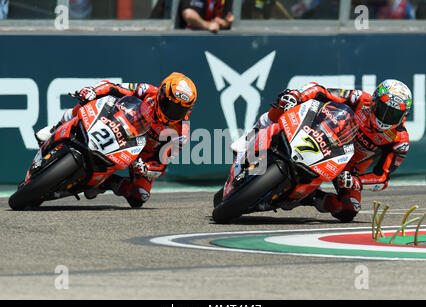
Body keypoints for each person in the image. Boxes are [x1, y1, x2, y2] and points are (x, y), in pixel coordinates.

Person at [235, 79, 412, 222]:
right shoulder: (359, 99)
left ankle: (309, 198)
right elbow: (321, 90)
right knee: (285, 102)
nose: (385, 117)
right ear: (374, 102)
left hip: (346, 168)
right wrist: (297, 95)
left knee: (349, 209)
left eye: (393, 114)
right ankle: (252, 135)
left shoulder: (399, 140)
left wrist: (357, 181)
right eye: (383, 109)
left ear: (404, 116)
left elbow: (382, 178)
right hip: (323, 134)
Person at [35, 72, 197, 208]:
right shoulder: (147, 91)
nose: (173, 113)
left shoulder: (181, 132)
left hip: (139, 154)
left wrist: (145, 168)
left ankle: (107, 183)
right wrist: (93, 91)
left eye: (180, 110)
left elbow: (161, 165)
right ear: (161, 94)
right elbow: (113, 87)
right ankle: (56, 127)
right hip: (120, 125)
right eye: (171, 106)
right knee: (87, 100)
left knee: (140, 196)